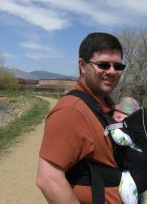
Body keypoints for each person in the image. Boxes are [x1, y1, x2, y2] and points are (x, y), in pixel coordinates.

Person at [36, 32, 126, 204]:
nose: (112, 71)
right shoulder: (72, 111)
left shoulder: (102, 105)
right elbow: (48, 179)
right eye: (103, 65)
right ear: (82, 65)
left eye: (118, 66)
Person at [107, 97, 146, 204]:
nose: (118, 119)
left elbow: (122, 140)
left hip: (134, 174)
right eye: (117, 115)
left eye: (123, 116)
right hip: (124, 170)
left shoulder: (133, 133)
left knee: (134, 192)